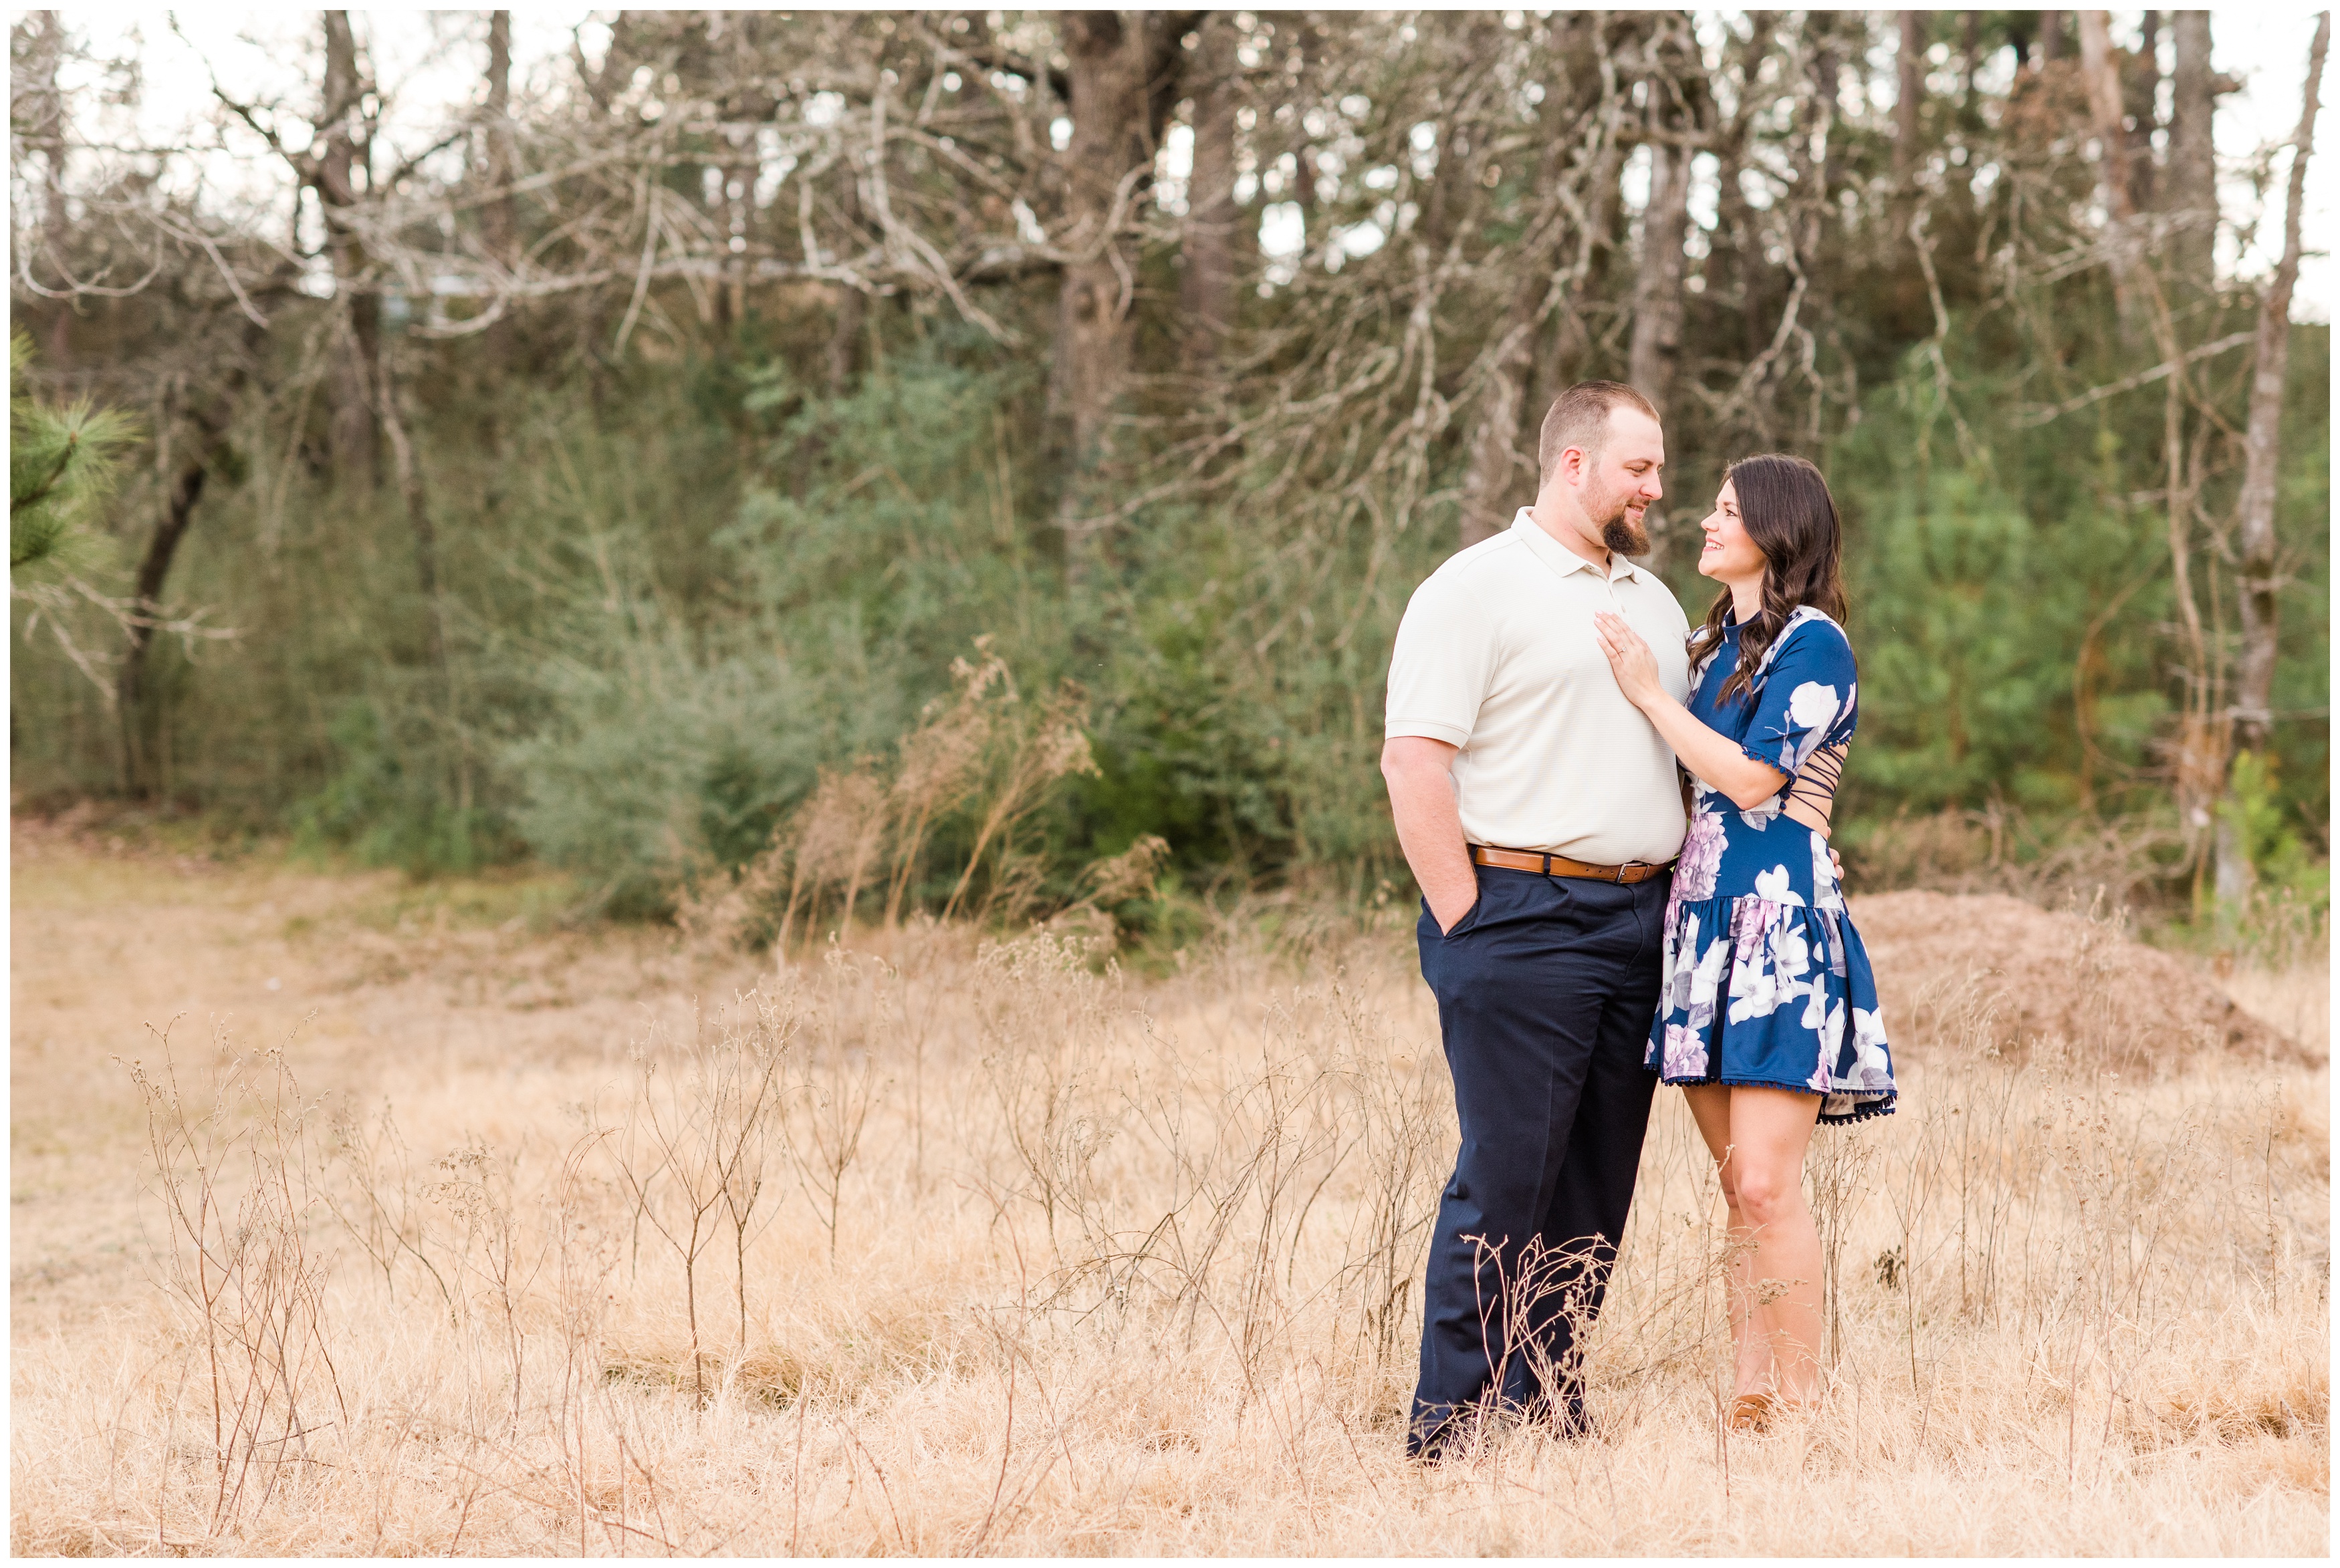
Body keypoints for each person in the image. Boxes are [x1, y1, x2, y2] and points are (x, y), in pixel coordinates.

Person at [1381, 380, 1687, 1460]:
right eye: (1639, 466)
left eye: (1657, 467)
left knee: (1599, 1181)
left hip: (1639, 918)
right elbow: (1415, 757)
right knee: (1507, 1175)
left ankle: (1546, 1398)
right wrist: (1467, 915)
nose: (1657, 485)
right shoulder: (1477, 588)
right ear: (1573, 464)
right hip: (1519, 911)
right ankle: (1450, 1424)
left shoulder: (1654, 600)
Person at [1591, 452, 1896, 1435]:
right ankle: (1751, 1400)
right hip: (1703, 926)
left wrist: (1648, 695)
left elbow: (1756, 780)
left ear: (1776, 528)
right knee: (1738, 1189)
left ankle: (1803, 1403)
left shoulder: (1816, 644)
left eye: (1727, 511)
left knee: (1768, 1180)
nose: (1706, 523)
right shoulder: (1710, 644)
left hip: (1779, 932)